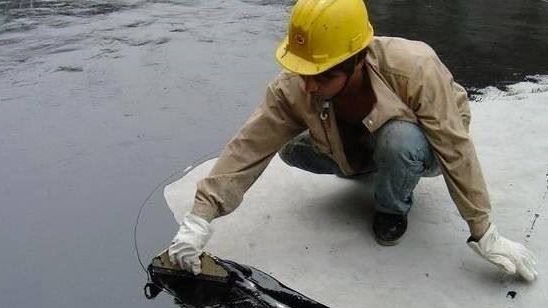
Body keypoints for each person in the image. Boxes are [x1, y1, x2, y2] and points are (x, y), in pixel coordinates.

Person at [168, 0, 538, 281]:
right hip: (362, 139)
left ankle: (392, 207)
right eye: (302, 72)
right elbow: (249, 145)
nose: (307, 85)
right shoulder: (297, 85)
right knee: (289, 148)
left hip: (423, 145)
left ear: (357, 60)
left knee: (399, 142)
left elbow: (454, 147)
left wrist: (484, 231)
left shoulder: (415, 67)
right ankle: (370, 165)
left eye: (321, 76)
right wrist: (200, 218)